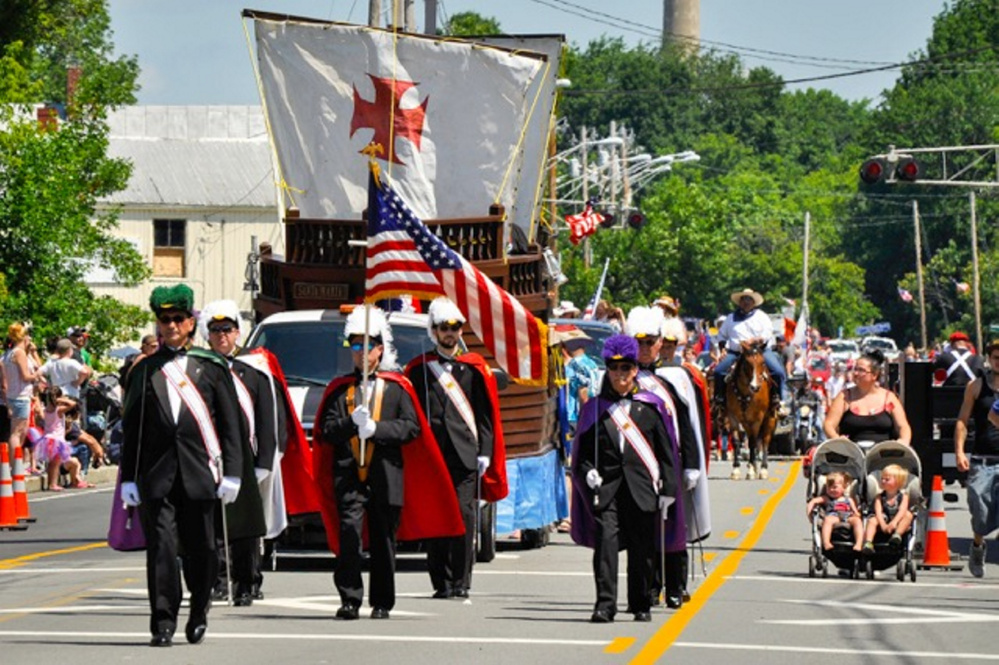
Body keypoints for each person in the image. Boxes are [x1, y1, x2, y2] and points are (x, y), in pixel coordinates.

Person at [119, 283, 244, 647]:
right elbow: (134, 429)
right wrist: (129, 476)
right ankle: (162, 622)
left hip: (200, 472)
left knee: (202, 548)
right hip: (157, 474)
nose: (171, 325)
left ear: (191, 322)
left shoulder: (212, 366)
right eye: (164, 319)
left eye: (177, 318)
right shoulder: (144, 371)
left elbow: (229, 423)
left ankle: (200, 609)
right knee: (161, 547)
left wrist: (233, 472)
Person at [314, 306, 421, 619]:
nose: (360, 352)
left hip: (386, 474)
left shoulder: (397, 388)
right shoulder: (339, 390)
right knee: (348, 533)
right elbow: (327, 431)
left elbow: (411, 427)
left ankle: (382, 602)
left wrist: (377, 429)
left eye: (367, 345)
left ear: (380, 349)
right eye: (354, 345)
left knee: (384, 540)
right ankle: (349, 598)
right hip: (349, 475)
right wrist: (351, 423)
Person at [570, 334, 679, 623]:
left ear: (635, 371)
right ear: (608, 369)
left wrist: (669, 489)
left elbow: (667, 453)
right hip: (607, 489)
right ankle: (605, 605)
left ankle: (640, 603)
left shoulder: (651, 406)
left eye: (627, 368)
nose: (621, 374)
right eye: (615, 368)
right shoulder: (595, 408)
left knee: (643, 551)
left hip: (643, 488)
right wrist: (587, 472)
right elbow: (582, 455)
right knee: (605, 546)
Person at [405, 297, 506, 600]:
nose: (450, 333)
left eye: (455, 327)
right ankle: (441, 581)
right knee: (437, 518)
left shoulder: (474, 369)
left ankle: (461, 580)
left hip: (466, 454)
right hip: (433, 456)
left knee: (464, 515)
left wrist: (485, 451)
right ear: (433, 331)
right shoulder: (418, 370)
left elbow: (486, 416)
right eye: (444, 328)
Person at [626, 306, 704, 610]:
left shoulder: (675, 379)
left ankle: (675, 586)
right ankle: (648, 586)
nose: (645, 349)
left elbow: (688, 425)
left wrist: (693, 465)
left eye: (650, 342)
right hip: (637, 468)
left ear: (661, 343)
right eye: (639, 342)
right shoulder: (622, 378)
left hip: (670, 465)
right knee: (644, 532)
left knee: (673, 529)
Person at [198, 300, 269, 608]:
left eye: (227, 329)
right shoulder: (201, 369)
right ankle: (217, 579)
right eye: (215, 330)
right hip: (213, 456)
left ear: (237, 332)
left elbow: (267, 417)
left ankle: (247, 581)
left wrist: (264, 461)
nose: (222, 335)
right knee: (214, 525)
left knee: (246, 526)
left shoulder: (253, 368)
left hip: (247, 455)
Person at [960, 340, 999, 577]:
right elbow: (962, 421)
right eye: (995, 357)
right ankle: (977, 545)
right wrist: (958, 451)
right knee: (980, 510)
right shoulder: (976, 387)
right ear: (989, 359)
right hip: (981, 459)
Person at [713, 288, 787, 414]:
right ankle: (719, 400)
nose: (746, 302)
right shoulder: (730, 318)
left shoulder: (761, 316)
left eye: (749, 299)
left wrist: (757, 339)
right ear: (739, 302)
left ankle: (778, 400)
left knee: (778, 372)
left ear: (753, 302)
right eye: (743, 299)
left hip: (759, 351)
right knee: (718, 372)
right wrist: (722, 349)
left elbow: (768, 333)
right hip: (736, 352)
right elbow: (721, 336)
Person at [823, 349, 912, 445]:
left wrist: (903, 441)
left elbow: (903, 426)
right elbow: (829, 424)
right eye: (855, 369)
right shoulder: (844, 397)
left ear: (874, 375)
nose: (856, 373)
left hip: (883, 454)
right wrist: (838, 440)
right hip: (852, 453)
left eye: (861, 370)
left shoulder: (889, 398)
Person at [3, 323, 43, 464]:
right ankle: (15, 464)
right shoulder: (19, 353)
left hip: (12, 396)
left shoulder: (8, 353)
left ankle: (15, 463)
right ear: (24, 336)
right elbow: (26, 376)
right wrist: (38, 374)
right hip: (20, 396)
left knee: (19, 431)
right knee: (18, 432)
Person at [807, 471, 863, 551]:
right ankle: (826, 542)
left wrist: (857, 514)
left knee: (857, 521)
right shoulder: (826, 498)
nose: (831, 490)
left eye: (834, 487)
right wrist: (809, 514)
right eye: (828, 488)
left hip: (847, 516)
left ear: (843, 488)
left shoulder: (849, 499)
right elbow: (813, 501)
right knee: (827, 520)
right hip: (834, 516)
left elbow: (855, 510)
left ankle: (859, 543)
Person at [863, 463, 913, 553]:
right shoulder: (879, 496)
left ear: (898, 481)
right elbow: (878, 511)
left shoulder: (904, 496)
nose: (883, 481)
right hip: (883, 518)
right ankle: (868, 542)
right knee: (872, 520)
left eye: (887, 479)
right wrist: (883, 525)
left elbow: (902, 510)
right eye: (882, 479)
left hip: (898, 521)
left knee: (908, 515)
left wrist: (894, 522)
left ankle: (897, 535)